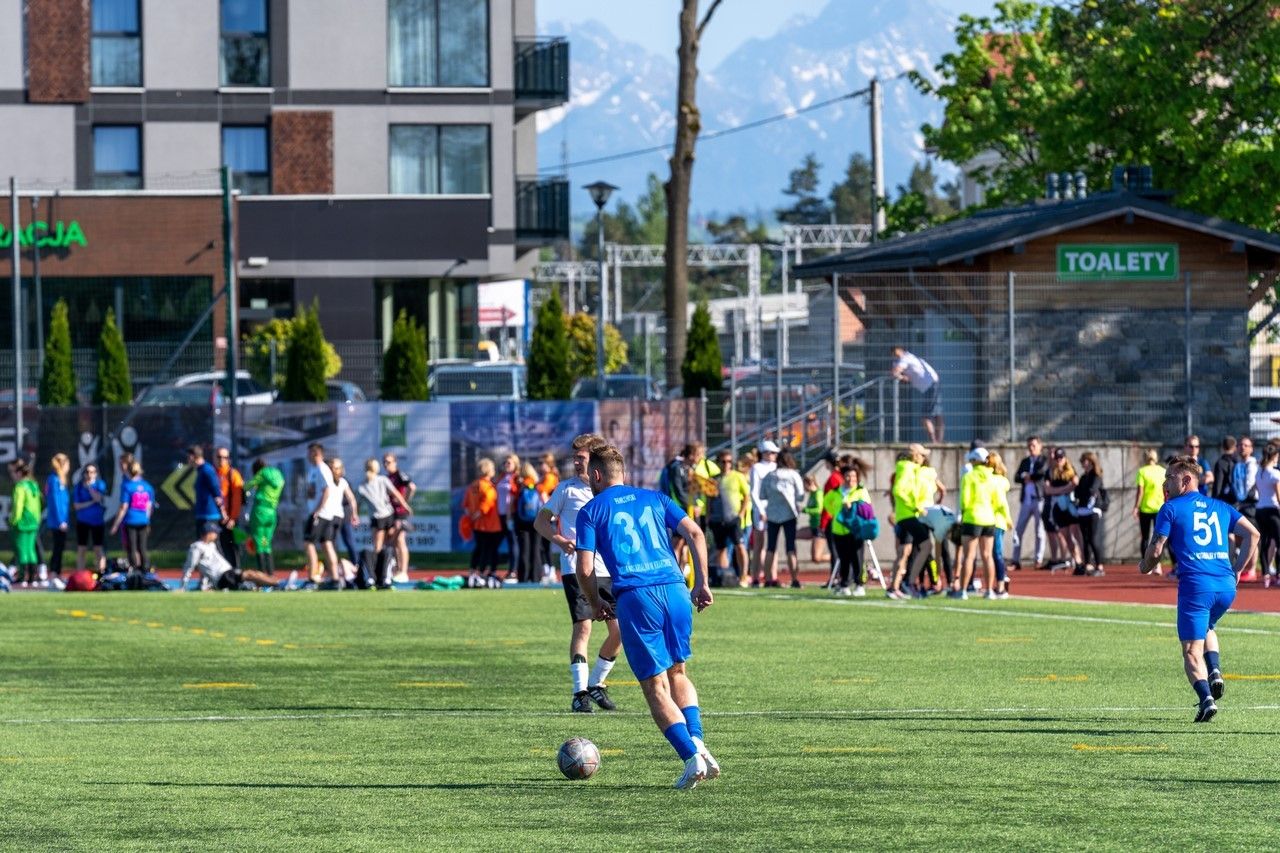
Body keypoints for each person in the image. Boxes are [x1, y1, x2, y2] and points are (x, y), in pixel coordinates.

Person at [573, 444, 717, 789]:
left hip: (637, 596)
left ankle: (690, 756)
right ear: (622, 473)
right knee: (678, 671)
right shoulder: (656, 498)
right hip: (676, 589)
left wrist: (595, 602)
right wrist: (702, 583)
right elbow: (695, 533)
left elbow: (585, 567)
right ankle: (698, 742)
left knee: (654, 686)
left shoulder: (591, 510)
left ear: (596, 475)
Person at [1140, 456, 1258, 722]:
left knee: (1191, 651)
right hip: (1226, 587)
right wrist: (1238, 569)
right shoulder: (1221, 506)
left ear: (1186, 480)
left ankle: (1206, 700)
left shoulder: (1170, 508)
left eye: (1169, 477)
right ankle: (1214, 670)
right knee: (1207, 627)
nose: (1165, 483)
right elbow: (1253, 534)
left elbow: (1156, 550)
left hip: (1196, 587)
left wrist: (1144, 566)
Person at [534, 434, 623, 713]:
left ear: (594, 460)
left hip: (608, 569)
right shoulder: (566, 489)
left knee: (620, 630)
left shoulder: (609, 490)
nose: (576, 462)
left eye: (581, 457)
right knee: (583, 627)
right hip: (576, 568)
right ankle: (579, 693)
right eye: (574, 458)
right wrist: (560, 540)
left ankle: (596, 683)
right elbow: (541, 522)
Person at [178, 522, 281, 591]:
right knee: (250, 574)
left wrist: (205, 585)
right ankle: (278, 584)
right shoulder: (196, 547)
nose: (217, 535)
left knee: (253, 575)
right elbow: (189, 567)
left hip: (228, 573)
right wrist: (183, 587)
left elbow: (206, 568)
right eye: (215, 532)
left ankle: (275, 582)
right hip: (223, 577)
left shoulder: (211, 545)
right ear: (208, 533)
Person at [358, 458, 412, 587]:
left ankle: (379, 574)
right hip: (389, 515)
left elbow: (357, 503)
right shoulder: (383, 479)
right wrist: (406, 505)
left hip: (377, 518)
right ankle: (390, 572)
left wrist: (354, 515)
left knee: (378, 547)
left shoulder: (363, 486)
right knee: (392, 544)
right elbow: (396, 494)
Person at [824, 460, 875, 597]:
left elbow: (867, 508)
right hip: (839, 530)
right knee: (843, 558)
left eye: (853, 476)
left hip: (855, 529)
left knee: (857, 557)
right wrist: (836, 513)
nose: (850, 479)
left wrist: (853, 506)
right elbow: (827, 503)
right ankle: (844, 584)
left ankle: (859, 584)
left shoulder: (860, 491)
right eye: (847, 476)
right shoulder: (836, 491)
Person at [888, 444, 930, 599]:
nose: (924, 458)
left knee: (904, 552)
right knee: (925, 546)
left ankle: (895, 587)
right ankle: (908, 583)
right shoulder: (906, 468)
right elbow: (898, 490)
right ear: (915, 455)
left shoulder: (909, 468)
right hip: (908, 515)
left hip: (907, 515)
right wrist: (915, 506)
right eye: (922, 455)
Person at [759, 450, 806, 588]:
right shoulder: (794, 475)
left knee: (770, 547)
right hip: (789, 514)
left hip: (772, 514)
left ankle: (768, 579)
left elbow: (762, 495)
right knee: (790, 547)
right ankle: (794, 579)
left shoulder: (769, 476)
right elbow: (801, 495)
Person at [706, 450, 751, 587]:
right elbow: (709, 499)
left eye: (729, 461)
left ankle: (743, 576)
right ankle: (724, 576)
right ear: (718, 463)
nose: (726, 464)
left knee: (740, 546)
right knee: (721, 549)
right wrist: (708, 516)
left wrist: (741, 514)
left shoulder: (738, 476)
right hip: (718, 518)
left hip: (733, 518)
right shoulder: (713, 479)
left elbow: (746, 496)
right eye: (723, 461)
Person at [956, 447, 996, 600]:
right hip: (989, 519)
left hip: (972, 518)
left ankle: (963, 591)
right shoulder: (992, 476)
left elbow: (964, 500)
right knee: (987, 556)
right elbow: (996, 499)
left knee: (969, 556)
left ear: (974, 461)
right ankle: (989, 591)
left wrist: (963, 513)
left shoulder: (969, 476)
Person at [304, 443, 343, 587]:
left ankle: (313, 577)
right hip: (321, 513)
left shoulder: (322, 469)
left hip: (321, 514)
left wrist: (317, 510)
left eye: (309, 453)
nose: (307, 456)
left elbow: (327, 490)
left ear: (316, 454)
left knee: (308, 543)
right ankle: (335, 579)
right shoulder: (313, 470)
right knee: (326, 544)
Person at [463, 458, 504, 588]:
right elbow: (486, 505)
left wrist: (471, 518)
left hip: (477, 524)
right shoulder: (488, 486)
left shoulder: (473, 485)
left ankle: (473, 570)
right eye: (492, 468)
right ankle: (485, 572)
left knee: (479, 548)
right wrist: (477, 515)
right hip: (490, 524)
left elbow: (466, 505)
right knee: (490, 549)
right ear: (488, 470)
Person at [889, 345, 943, 442]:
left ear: (900, 350)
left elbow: (895, 372)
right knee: (937, 415)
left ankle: (934, 442)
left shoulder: (905, 358)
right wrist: (903, 377)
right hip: (932, 384)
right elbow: (903, 375)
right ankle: (938, 442)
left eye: (895, 353)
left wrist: (900, 376)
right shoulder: (909, 357)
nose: (895, 356)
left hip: (930, 386)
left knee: (926, 417)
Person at [109, 459, 155, 572]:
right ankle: (145, 570)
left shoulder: (127, 486)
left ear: (128, 471)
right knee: (142, 547)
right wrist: (147, 521)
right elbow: (149, 507)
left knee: (132, 547)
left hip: (130, 521)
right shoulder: (147, 486)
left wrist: (115, 524)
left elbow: (123, 507)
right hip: (143, 521)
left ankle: (134, 570)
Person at [1042, 449, 1083, 573]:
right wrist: (1065, 489)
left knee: (1076, 535)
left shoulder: (1070, 470)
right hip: (1058, 507)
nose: (1059, 460)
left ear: (1065, 458)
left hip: (1070, 506)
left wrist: (1058, 490)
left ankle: (1083, 560)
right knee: (1066, 537)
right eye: (1057, 458)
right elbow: (1048, 490)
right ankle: (1077, 561)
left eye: (1061, 458)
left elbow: (1075, 483)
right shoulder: (1050, 472)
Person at [1012, 436, 1048, 570]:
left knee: (1039, 531)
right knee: (1018, 530)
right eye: (1029, 446)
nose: (1031, 448)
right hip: (1026, 501)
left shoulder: (1044, 460)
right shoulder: (1025, 461)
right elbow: (1016, 477)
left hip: (1039, 500)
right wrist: (1024, 477)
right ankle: (1015, 561)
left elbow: (1041, 473)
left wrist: (1029, 476)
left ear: (1040, 446)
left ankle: (1038, 559)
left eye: (1033, 445)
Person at [245, 458, 285, 577]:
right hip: (272, 513)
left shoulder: (262, 473)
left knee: (259, 543)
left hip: (260, 512)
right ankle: (271, 574)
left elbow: (247, 486)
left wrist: (245, 486)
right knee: (266, 543)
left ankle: (262, 576)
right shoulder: (278, 474)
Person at [748, 441, 779, 582]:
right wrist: (760, 510)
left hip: (774, 509)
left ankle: (772, 576)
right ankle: (755, 576)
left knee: (773, 544)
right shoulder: (757, 468)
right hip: (761, 509)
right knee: (759, 544)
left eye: (774, 453)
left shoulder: (777, 467)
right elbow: (754, 492)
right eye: (770, 452)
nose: (772, 455)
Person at [383, 453, 416, 583]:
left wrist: (404, 501)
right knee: (393, 541)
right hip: (391, 513)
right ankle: (397, 570)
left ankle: (404, 571)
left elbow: (412, 487)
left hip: (400, 513)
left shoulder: (399, 475)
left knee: (401, 540)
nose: (386, 465)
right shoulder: (387, 478)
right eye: (385, 462)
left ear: (395, 462)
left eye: (389, 462)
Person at [1074, 452, 1107, 577]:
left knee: (1093, 538)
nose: (1083, 463)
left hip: (1093, 509)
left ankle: (1099, 566)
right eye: (1082, 461)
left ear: (1091, 462)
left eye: (1085, 461)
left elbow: (1092, 490)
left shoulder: (1096, 476)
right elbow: (1077, 493)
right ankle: (1087, 564)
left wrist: (1084, 492)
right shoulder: (1083, 477)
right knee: (1085, 539)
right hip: (1082, 510)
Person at [9, 459, 42, 587]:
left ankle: (22, 577)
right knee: (31, 550)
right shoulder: (34, 485)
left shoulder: (20, 487)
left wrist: (14, 520)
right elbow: (38, 505)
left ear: (19, 473)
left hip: (22, 523)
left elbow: (18, 505)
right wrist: (37, 520)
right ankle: (33, 578)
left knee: (22, 550)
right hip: (33, 522)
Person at [72, 462, 108, 573]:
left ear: (96, 473)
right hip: (83, 521)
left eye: (92, 472)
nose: (89, 474)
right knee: (82, 548)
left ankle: (101, 573)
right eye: (87, 472)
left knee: (98, 548)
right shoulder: (78, 487)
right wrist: (90, 502)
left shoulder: (100, 484)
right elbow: (77, 506)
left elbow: (98, 498)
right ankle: (80, 574)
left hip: (97, 521)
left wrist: (89, 488)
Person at [1134, 449, 1167, 567]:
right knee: (1159, 537)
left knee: (1145, 537)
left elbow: (1140, 492)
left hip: (1145, 508)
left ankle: (1146, 564)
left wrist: (1136, 507)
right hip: (1160, 508)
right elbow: (1165, 490)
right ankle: (1157, 564)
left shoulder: (1142, 471)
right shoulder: (1162, 471)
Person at [328, 457, 362, 570]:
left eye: (337, 468)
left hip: (343, 514)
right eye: (332, 468)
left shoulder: (343, 482)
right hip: (330, 515)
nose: (334, 470)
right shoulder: (326, 481)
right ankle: (333, 567)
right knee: (330, 542)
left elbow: (351, 499)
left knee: (349, 540)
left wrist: (354, 514)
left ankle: (356, 564)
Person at [1253, 444, 1280, 587]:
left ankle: (1266, 575)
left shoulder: (1259, 473)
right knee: (1278, 542)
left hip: (1260, 510)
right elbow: (1278, 496)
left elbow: (1259, 492)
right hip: (1273, 510)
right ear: (1274, 456)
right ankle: (1278, 574)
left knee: (1264, 541)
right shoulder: (1275, 474)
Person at [987, 452, 1013, 598]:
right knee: (994, 553)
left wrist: (1008, 519)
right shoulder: (1001, 480)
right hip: (997, 520)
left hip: (994, 520)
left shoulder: (993, 480)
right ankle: (1001, 579)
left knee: (995, 553)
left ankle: (1001, 584)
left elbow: (1001, 503)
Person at [43, 453, 71, 583]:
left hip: (63, 520)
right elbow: (55, 502)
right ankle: (53, 574)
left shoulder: (61, 479)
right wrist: (61, 521)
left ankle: (57, 573)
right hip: (57, 521)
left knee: (60, 547)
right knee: (57, 547)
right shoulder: (54, 480)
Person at [213, 447, 244, 568]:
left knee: (231, 548)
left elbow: (237, 499)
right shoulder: (212, 473)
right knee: (215, 549)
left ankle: (235, 572)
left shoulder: (233, 474)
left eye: (225, 457)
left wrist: (233, 517)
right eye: (219, 457)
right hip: (214, 518)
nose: (222, 460)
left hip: (229, 519)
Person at [513, 462, 543, 584]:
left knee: (524, 550)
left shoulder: (520, 485)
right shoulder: (537, 484)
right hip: (537, 520)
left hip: (522, 522)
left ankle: (523, 577)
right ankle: (536, 577)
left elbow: (514, 500)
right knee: (536, 549)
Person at [188, 445, 226, 540]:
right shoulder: (200, 470)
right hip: (202, 515)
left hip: (209, 517)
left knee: (212, 546)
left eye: (188, 457)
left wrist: (222, 511)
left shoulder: (207, 470)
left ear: (192, 457)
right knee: (202, 546)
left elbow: (216, 491)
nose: (187, 460)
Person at [536, 452, 561, 583]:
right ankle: (546, 569)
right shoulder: (544, 476)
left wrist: (536, 485)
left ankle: (550, 570)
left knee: (545, 544)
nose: (540, 466)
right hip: (544, 513)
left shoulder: (550, 477)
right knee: (542, 545)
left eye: (543, 463)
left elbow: (543, 490)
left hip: (548, 515)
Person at [496, 454, 521, 581]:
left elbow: (515, 495)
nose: (506, 464)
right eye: (505, 462)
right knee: (499, 542)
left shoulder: (516, 478)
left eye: (509, 462)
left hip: (511, 514)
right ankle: (495, 569)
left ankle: (513, 570)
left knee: (513, 541)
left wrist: (510, 514)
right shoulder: (501, 477)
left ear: (515, 464)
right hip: (500, 514)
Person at [803, 474, 825, 566]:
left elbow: (819, 510)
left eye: (804, 484)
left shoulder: (818, 493)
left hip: (819, 527)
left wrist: (805, 510)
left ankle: (840, 557)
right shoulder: (811, 494)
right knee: (792, 535)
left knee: (816, 558)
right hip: (813, 526)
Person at [1209, 436, 1237, 504]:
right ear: (1234, 448)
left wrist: (1214, 501)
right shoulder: (1237, 462)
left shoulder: (1220, 463)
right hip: (1237, 498)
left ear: (1223, 447)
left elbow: (1218, 484)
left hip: (1224, 499)